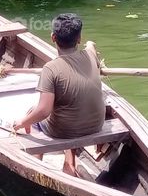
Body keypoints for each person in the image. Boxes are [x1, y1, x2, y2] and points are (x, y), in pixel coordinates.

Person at [13, 13, 106, 176]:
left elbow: (43, 111)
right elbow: (91, 46)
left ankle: (36, 167)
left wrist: (21, 122)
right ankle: (69, 162)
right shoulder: (90, 55)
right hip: (96, 125)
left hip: (63, 131)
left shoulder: (50, 69)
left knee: (33, 118)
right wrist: (90, 43)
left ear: (53, 37)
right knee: (65, 106)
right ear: (79, 39)